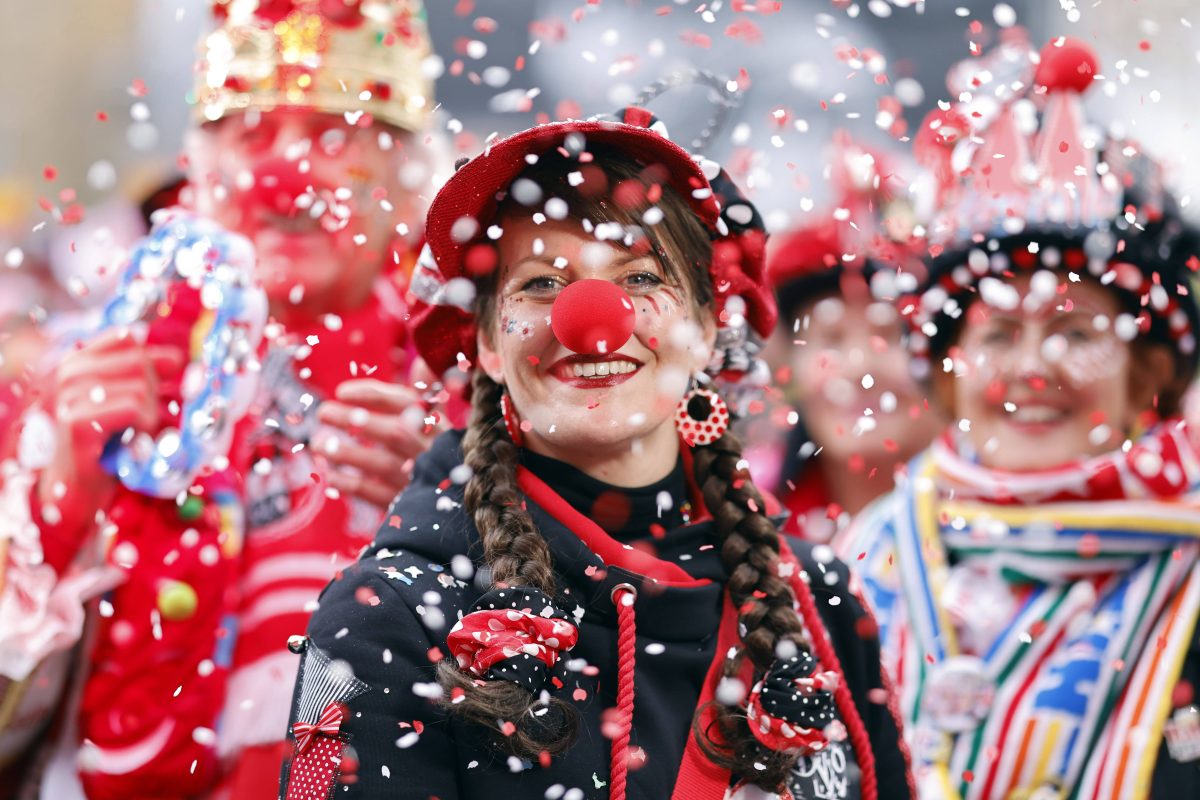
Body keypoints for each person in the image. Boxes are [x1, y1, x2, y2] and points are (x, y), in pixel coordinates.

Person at [280, 107, 914, 800]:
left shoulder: (816, 601)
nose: (593, 322)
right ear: (487, 341)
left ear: (706, 327)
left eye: (640, 278)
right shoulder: (388, 617)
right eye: (540, 284)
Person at [0, 1, 441, 796]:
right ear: (200, 173)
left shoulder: (482, 388)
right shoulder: (67, 381)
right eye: (252, 134)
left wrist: (464, 513)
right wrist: (62, 493)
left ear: (408, 178)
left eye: (334, 134)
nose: (287, 177)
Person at [838, 34, 1200, 800]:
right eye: (999, 334)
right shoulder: (858, 565)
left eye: (1076, 332)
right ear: (949, 374)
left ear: (1146, 377)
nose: (1034, 369)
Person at [754, 136, 943, 541]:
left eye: (891, 335)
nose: (860, 367)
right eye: (830, 339)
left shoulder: (1009, 525)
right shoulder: (740, 520)